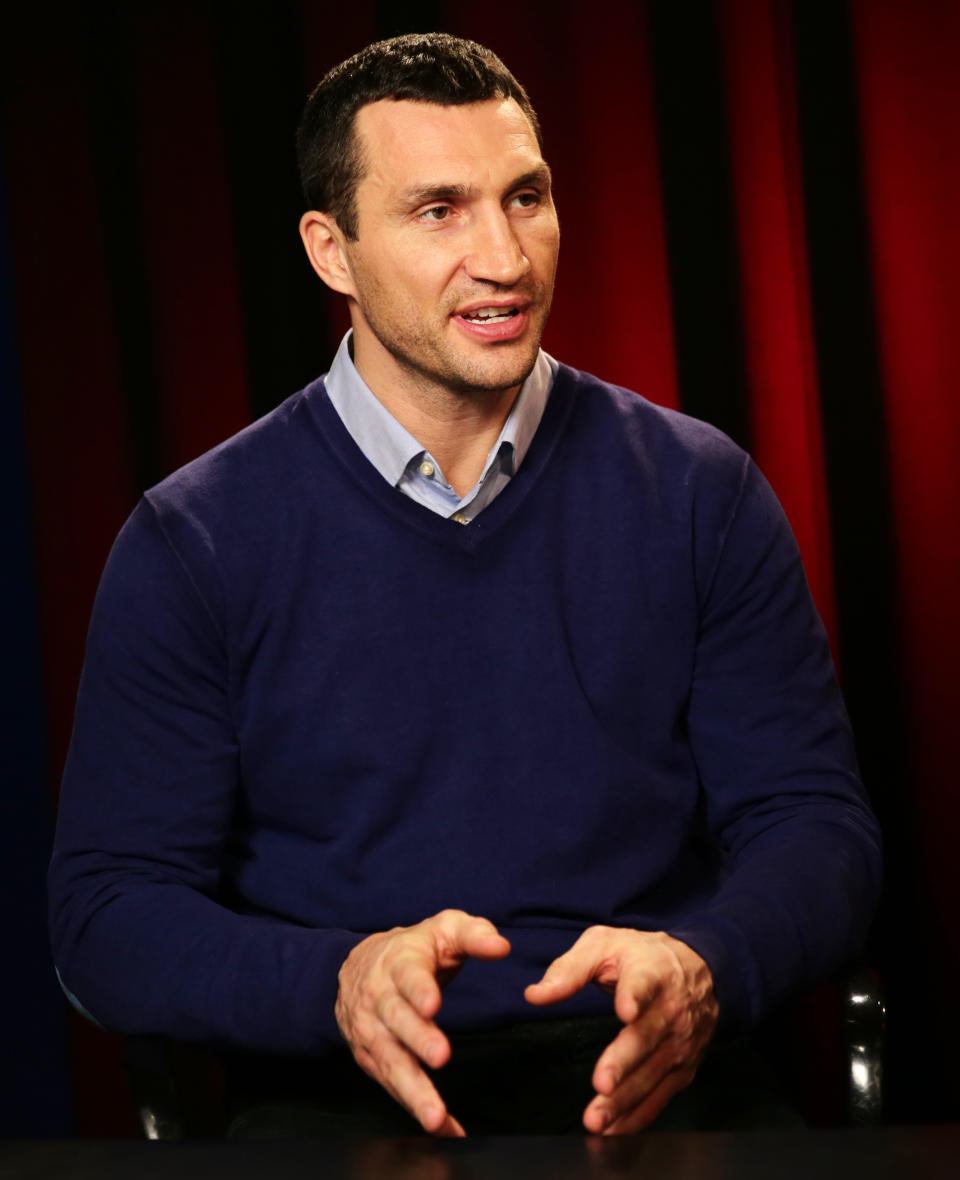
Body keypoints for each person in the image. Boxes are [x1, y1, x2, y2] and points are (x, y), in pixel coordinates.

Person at [49, 33, 881, 1138]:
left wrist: (704, 962)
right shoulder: (192, 538)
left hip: (655, 1092)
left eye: (525, 197)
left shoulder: (698, 490)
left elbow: (817, 828)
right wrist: (336, 983)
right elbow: (106, 917)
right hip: (337, 1102)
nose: (505, 256)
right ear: (331, 250)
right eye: (439, 210)